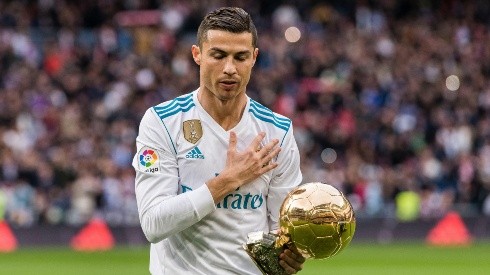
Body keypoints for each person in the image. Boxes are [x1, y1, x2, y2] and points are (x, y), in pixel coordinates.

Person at [133, 7, 305, 274]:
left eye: (240, 57)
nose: (229, 69)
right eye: (218, 55)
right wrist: (228, 181)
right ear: (197, 55)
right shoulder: (162, 122)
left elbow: (280, 229)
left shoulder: (277, 131)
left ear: (254, 58)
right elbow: (154, 224)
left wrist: (289, 254)